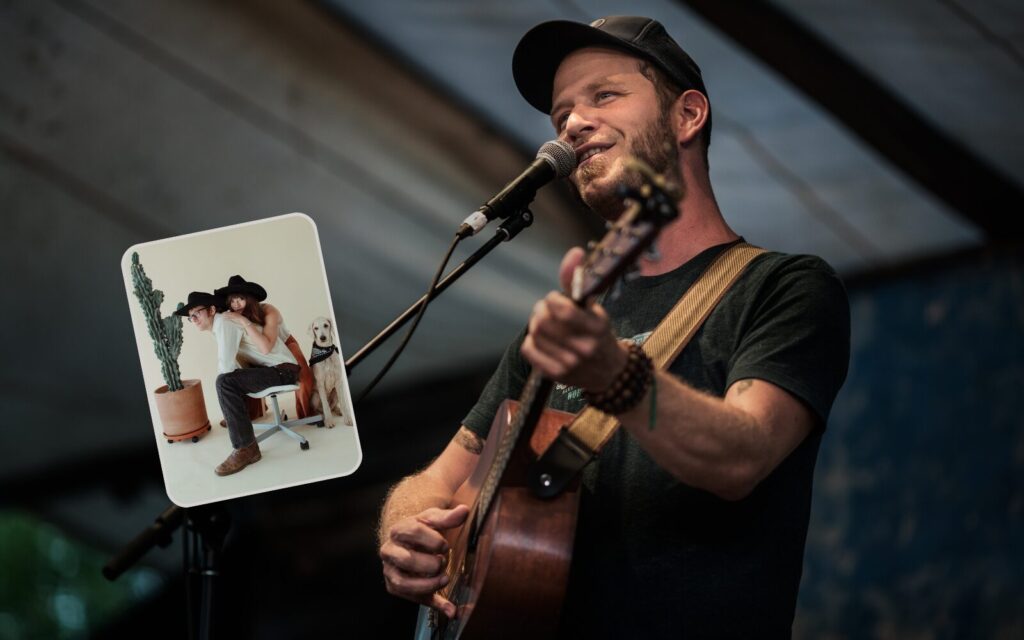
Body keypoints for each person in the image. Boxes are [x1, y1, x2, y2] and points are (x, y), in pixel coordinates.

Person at [377, 15, 851, 639]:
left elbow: (744, 455)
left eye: (604, 95)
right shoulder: (560, 328)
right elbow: (437, 482)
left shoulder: (782, 288)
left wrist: (616, 377)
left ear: (688, 116)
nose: (573, 124)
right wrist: (403, 529)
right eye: (561, 115)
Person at [176, 290, 301, 476]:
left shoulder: (224, 322)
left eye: (197, 313)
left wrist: (227, 400)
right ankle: (242, 434)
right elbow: (233, 365)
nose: (193, 319)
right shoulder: (219, 326)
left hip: (284, 370)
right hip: (272, 370)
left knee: (224, 382)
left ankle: (246, 448)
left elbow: (226, 367)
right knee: (227, 381)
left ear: (211, 310)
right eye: (190, 316)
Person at [214, 275, 316, 420]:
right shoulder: (233, 316)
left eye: (240, 299)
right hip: (258, 349)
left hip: (284, 345)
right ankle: (250, 413)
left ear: (249, 298)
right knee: (244, 371)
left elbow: (268, 346)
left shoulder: (268, 310)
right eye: (232, 301)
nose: (236, 304)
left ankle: (308, 415)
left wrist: (243, 320)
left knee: (304, 377)